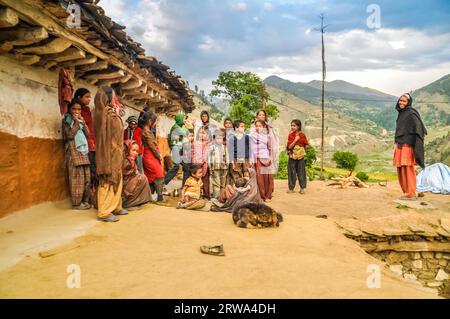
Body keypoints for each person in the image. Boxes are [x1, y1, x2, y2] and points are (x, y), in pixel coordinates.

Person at [94, 86, 128, 222]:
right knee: (107, 179)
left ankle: (116, 206)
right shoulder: (107, 114)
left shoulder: (103, 113)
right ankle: (104, 212)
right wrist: (117, 114)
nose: (115, 100)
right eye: (113, 97)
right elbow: (117, 130)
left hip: (115, 152)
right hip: (109, 152)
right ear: (107, 98)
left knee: (117, 177)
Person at [393, 93, 427, 200]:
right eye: (400, 100)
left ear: (408, 102)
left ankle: (411, 193)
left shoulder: (411, 114)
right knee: (401, 168)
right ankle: (406, 192)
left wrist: (414, 143)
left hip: (408, 145)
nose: (401, 103)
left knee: (408, 168)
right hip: (400, 144)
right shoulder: (402, 113)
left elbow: (419, 129)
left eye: (404, 101)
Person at [62, 101, 91, 210]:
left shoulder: (80, 121)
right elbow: (69, 135)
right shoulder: (66, 121)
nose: (77, 112)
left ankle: (85, 200)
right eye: (74, 109)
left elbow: (88, 134)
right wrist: (75, 123)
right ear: (69, 110)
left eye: (79, 110)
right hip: (73, 152)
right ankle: (77, 204)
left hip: (83, 152)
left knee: (86, 177)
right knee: (76, 179)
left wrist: (83, 123)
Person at [75, 88, 97, 188]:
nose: (89, 99)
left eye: (90, 97)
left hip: (91, 142)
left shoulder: (87, 110)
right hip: (84, 143)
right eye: (87, 97)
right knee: (89, 169)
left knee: (93, 167)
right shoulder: (77, 112)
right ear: (79, 97)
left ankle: (91, 192)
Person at [141, 111, 165, 202]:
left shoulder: (147, 130)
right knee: (158, 175)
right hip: (150, 156)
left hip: (149, 156)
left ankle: (149, 196)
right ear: (150, 121)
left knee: (151, 176)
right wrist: (159, 156)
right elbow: (152, 147)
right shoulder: (147, 132)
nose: (155, 124)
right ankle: (159, 196)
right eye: (154, 121)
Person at [122, 140, 152, 208]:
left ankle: (139, 200)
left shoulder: (130, 159)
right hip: (123, 187)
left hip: (128, 184)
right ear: (127, 149)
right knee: (142, 178)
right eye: (133, 150)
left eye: (137, 151)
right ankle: (128, 203)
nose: (135, 153)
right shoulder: (124, 160)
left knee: (142, 178)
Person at [250, 120, 274, 202]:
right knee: (259, 178)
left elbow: (270, 148)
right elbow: (251, 149)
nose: (257, 127)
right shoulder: (252, 136)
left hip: (266, 158)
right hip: (257, 159)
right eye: (256, 126)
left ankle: (268, 196)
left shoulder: (267, 136)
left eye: (260, 126)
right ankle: (261, 196)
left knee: (267, 178)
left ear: (264, 127)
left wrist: (270, 158)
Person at [164, 113, 188, 185]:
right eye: (184, 119)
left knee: (186, 166)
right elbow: (186, 134)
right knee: (176, 166)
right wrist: (191, 125)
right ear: (180, 119)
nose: (185, 120)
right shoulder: (176, 127)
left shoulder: (178, 127)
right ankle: (163, 182)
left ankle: (185, 185)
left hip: (178, 148)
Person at [286, 119, 309, 194]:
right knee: (291, 172)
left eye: (294, 126)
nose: (292, 127)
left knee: (301, 172)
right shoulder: (291, 135)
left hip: (300, 157)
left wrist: (302, 151)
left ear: (298, 127)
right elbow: (289, 147)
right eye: (291, 125)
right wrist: (295, 140)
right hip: (292, 156)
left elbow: (306, 145)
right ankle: (291, 188)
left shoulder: (302, 135)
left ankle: (302, 188)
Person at [209, 128, 228, 198]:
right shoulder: (212, 147)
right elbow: (209, 158)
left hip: (224, 168)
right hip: (215, 167)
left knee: (223, 184)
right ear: (214, 139)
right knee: (216, 183)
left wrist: (227, 165)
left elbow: (227, 157)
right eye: (217, 138)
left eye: (221, 138)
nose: (219, 140)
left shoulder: (225, 148)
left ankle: (222, 198)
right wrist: (210, 168)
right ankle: (216, 198)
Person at [194, 126, 211, 199]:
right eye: (200, 133)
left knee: (206, 180)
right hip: (197, 164)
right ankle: (195, 195)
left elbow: (208, 154)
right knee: (195, 180)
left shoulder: (209, 144)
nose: (202, 135)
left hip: (205, 165)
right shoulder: (196, 143)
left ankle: (206, 195)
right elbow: (194, 153)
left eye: (204, 133)